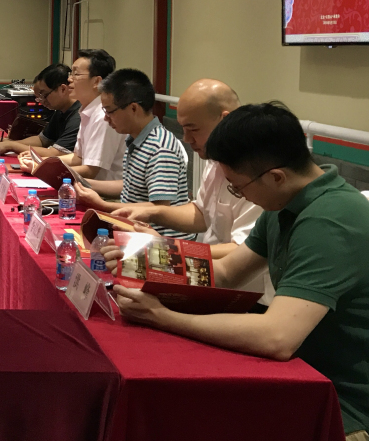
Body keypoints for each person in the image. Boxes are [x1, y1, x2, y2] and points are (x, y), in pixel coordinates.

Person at [105, 103, 369, 441]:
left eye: (237, 187)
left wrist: (162, 316)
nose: (238, 196)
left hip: (354, 412)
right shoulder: (287, 203)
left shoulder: (330, 222)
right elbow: (225, 272)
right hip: (307, 380)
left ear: (276, 176)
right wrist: (145, 258)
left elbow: (276, 337)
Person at [110, 79, 269, 300]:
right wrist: (150, 213)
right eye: (183, 129)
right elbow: (201, 214)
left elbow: (243, 252)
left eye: (193, 129)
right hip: (208, 277)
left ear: (224, 120)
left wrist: (167, 248)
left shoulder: (258, 173)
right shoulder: (216, 157)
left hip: (248, 295)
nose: (186, 139)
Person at [75, 68, 191, 239]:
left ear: (133, 108)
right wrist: (83, 183)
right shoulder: (136, 138)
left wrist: (103, 205)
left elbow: (159, 208)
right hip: (134, 229)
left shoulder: (160, 147)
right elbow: (129, 185)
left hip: (159, 241)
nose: (106, 118)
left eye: (109, 111)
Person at [44, 49, 124, 181]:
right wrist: (43, 162)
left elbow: (90, 170)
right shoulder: (87, 110)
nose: (69, 79)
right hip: (88, 187)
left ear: (96, 81)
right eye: (71, 73)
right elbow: (78, 158)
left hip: (104, 190)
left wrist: (45, 170)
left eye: (76, 74)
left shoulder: (103, 116)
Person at [0, 64, 80, 158]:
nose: (41, 101)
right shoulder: (60, 110)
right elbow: (42, 140)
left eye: (44, 95)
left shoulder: (78, 116)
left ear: (63, 89)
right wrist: (10, 142)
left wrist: (11, 146)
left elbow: (56, 154)